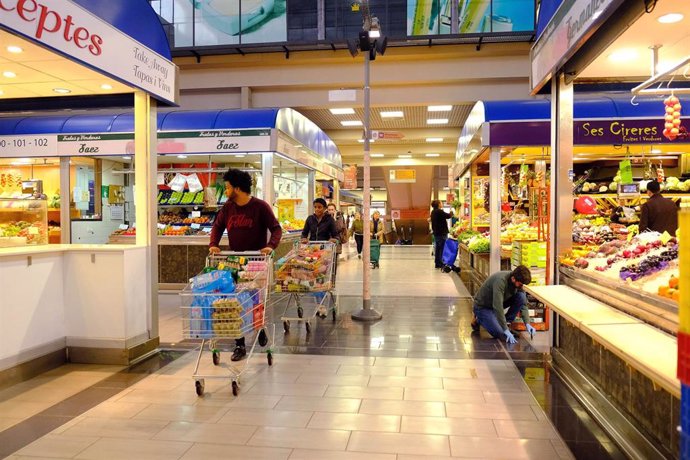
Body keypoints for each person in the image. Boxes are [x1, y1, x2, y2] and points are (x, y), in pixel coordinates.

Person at [209, 168, 282, 361]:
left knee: (256, 301)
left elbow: (276, 228)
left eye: (227, 187)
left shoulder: (260, 207)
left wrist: (270, 246)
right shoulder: (227, 208)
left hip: (256, 264)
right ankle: (239, 345)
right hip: (234, 263)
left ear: (238, 188)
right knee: (235, 303)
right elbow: (217, 226)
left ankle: (260, 327)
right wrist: (213, 245)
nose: (225, 191)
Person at [470, 265, 536, 344]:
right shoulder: (500, 281)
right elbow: (497, 307)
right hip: (483, 307)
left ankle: (506, 323)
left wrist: (527, 323)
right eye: (521, 284)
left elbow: (523, 303)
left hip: (497, 303)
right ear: (513, 279)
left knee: (521, 296)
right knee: (500, 333)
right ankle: (479, 319)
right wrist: (504, 330)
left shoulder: (517, 283)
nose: (521, 286)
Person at [430, 200, 452, 269]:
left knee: (438, 248)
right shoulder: (439, 211)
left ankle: (437, 263)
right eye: (441, 203)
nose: (441, 204)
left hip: (436, 232)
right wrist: (452, 212)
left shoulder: (433, 212)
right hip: (441, 232)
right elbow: (448, 216)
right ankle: (440, 263)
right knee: (441, 248)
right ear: (438, 204)